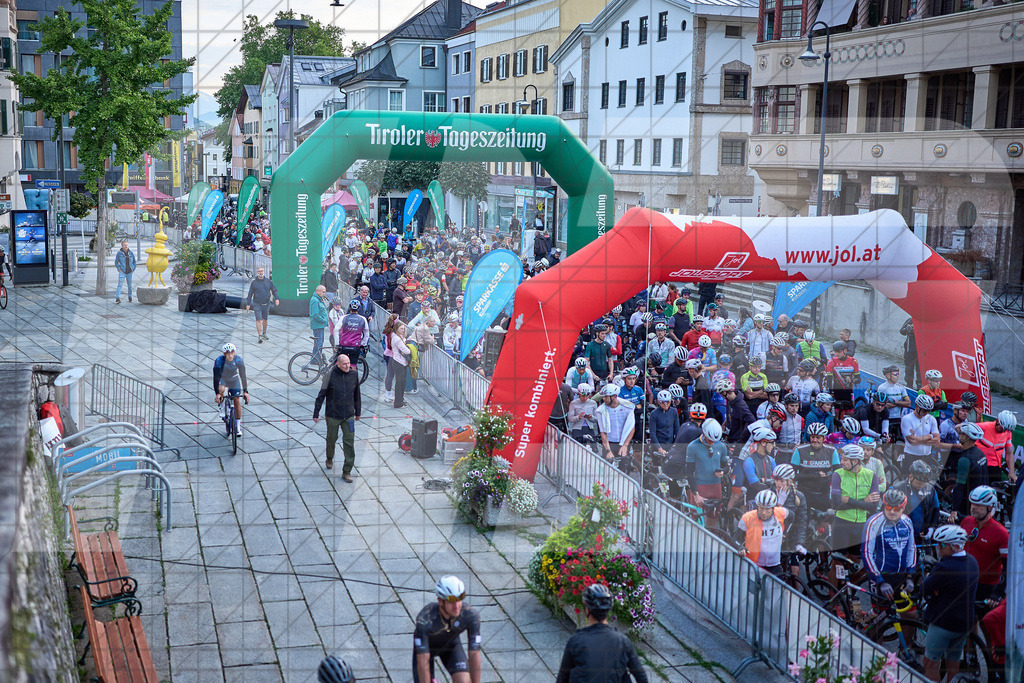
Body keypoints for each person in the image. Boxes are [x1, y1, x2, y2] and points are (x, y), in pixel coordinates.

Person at [920, 525, 979, 682]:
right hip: (964, 622)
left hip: (943, 623)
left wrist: (934, 588)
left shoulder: (945, 567)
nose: (938, 547)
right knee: (953, 662)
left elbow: (925, 587)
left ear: (955, 546)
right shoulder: (972, 562)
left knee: (930, 663)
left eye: (942, 544)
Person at [556, 583, 649, 683]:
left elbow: (562, 678)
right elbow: (641, 677)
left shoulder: (575, 641)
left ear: (587, 609)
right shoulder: (623, 641)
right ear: (609, 610)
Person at [414, 576, 482, 683]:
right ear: (440, 601)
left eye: (459, 599)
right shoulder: (425, 620)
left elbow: (474, 654)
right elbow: (423, 662)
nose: (456, 606)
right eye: (451, 602)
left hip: (452, 646)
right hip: (427, 652)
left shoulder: (470, 615)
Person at [313, 352, 362, 480]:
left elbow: (357, 394)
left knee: (349, 443)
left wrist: (358, 412)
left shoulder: (354, 375)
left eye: (348, 363)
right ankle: (329, 457)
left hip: (349, 415)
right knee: (331, 439)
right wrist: (316, 413)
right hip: (333, 415)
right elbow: (321, 394)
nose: (347, 366)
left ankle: (347, 471)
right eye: (344, 364)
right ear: (338, 364)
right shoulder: (329, 376)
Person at [862, 489, 916, 601]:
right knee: (879, 615)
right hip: (881, 575)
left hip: (901, 576)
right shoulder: (874, 522)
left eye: (896, 509)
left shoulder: (907, 522)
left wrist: (910, 576)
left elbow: (912, 549)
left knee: (910, 615)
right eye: (888, 507)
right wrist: (879, 581)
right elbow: (867, 553)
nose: (892, 512)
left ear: (903, 508)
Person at [959, 485, 1008, 603]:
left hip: (986, 585)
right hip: (964, 579)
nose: (973, 507)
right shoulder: (966, 521)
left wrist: (998, 592)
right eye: (972, 503)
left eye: (978, 505)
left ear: (990, 507)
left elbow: (1008, 566)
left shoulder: (1001, 533)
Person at [830, 444, 880, 556]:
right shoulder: (837, 475)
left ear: (856, 461)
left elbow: (873, 506)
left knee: (855, 563)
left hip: (862, 525)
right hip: (842, 524)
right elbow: (836, 505)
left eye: (845, 459)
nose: (841, 462)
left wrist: (849, 500)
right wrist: (864, 501)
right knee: (839, 564)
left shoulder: (872, 476)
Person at [738, 489, 790, 576]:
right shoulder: (747, 518)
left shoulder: (780, 512)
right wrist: (740, 547)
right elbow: (736, 538)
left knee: (777, 589)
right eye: (761, 508)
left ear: (773, 508)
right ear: (757, 506)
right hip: (755, 564)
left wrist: (786, 531)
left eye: (767, 509)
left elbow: (791, 515)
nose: (764, 513)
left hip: (775, 564)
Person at [949, 422, 989, 519]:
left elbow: (959, 486)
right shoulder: (980, 453)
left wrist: (954, 510)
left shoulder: (964, 460)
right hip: (981, 499)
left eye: (961, 434)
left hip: (968, 504)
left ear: (966, 437)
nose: (959, 435)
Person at [213, 343, 249, 437]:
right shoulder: (219, 361)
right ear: (224, 354)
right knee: (221, 389)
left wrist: (245, 391)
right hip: (223, 379)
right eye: (227, 353)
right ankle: (222, 407)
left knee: (236, 400)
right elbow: (216, 378)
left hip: (234, 379)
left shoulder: (238, 360)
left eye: (232, 353)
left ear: (234, 353)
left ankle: (237, 426)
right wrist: (217, 394)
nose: (230, 355)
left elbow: (243, 376)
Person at [596, 383, 635, 466]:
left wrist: (625, 445)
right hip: (609, 443)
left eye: (606, 396)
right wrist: (608, 451)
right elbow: (603, 432)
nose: (604, 399)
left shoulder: (627, 407)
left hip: (623, 442)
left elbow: (631, 427)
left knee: (624, 469)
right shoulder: (600, 411)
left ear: (613, 396)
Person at [901, 393, 940, 468]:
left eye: (929, 410)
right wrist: (930, 436)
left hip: (926, 455)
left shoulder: (931, 419)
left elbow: (937, 440)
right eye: (925, 410)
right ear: (917, 406)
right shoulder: (907, 419)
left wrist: (918, 439)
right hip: (911, 455)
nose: (927, 413)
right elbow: (912, 441)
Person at [978, 410, 1018, 483]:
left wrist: (1011, 472)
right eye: (1003, 428)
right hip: (980, 465)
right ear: (997, 421)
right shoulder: (983, 427)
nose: (1004, 431)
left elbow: (1009, 453)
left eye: (1006, 430)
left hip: (995, 467)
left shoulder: (1007, 432)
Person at [245, 267, 280, 343]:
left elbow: (274, 290)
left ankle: (264, 333)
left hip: (266, 303)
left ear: (264, 272)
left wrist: (276, 298)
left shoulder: (268, 281)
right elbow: (250, 293)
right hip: (257, 303)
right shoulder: (254, 283)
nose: (261, 272)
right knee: (258, 319)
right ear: (257, 273)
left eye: (262, 271)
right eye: (259, 271)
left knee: (265, 319)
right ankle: (260, 335)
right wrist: (248, 304)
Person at [333, 299, 370, 365]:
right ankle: (352, 373)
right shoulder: (363, 319)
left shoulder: (344, 317)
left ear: (349, 308)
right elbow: (366, 333)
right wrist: (363, 344)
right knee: (353, 365)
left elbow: (336, 330)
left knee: (340, 363)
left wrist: (337, 343)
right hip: (355, 346)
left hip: (344, 345)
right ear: (359, 309)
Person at [389, 321, 412, 408]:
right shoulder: (396, 338)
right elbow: (407, 351)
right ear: (396, 328)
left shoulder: (399, 336)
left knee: (402, 382)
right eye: (401, 329)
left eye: (403, 329)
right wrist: (408, 348)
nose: (403, 330)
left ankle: (401, 400)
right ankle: (398, 402)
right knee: (399, 383)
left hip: (402, 362)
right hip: (398, 362)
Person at [309, 285, 330, 361]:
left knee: (319, 343)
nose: (324, 293)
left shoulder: (318, 299)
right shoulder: (315, 300)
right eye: (323, 292)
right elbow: (315, 314)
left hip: (320, 325)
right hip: (318, 325)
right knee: (318, 343)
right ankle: (315, 359)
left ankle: (316, 358)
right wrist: (324, 320)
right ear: (318, 291)